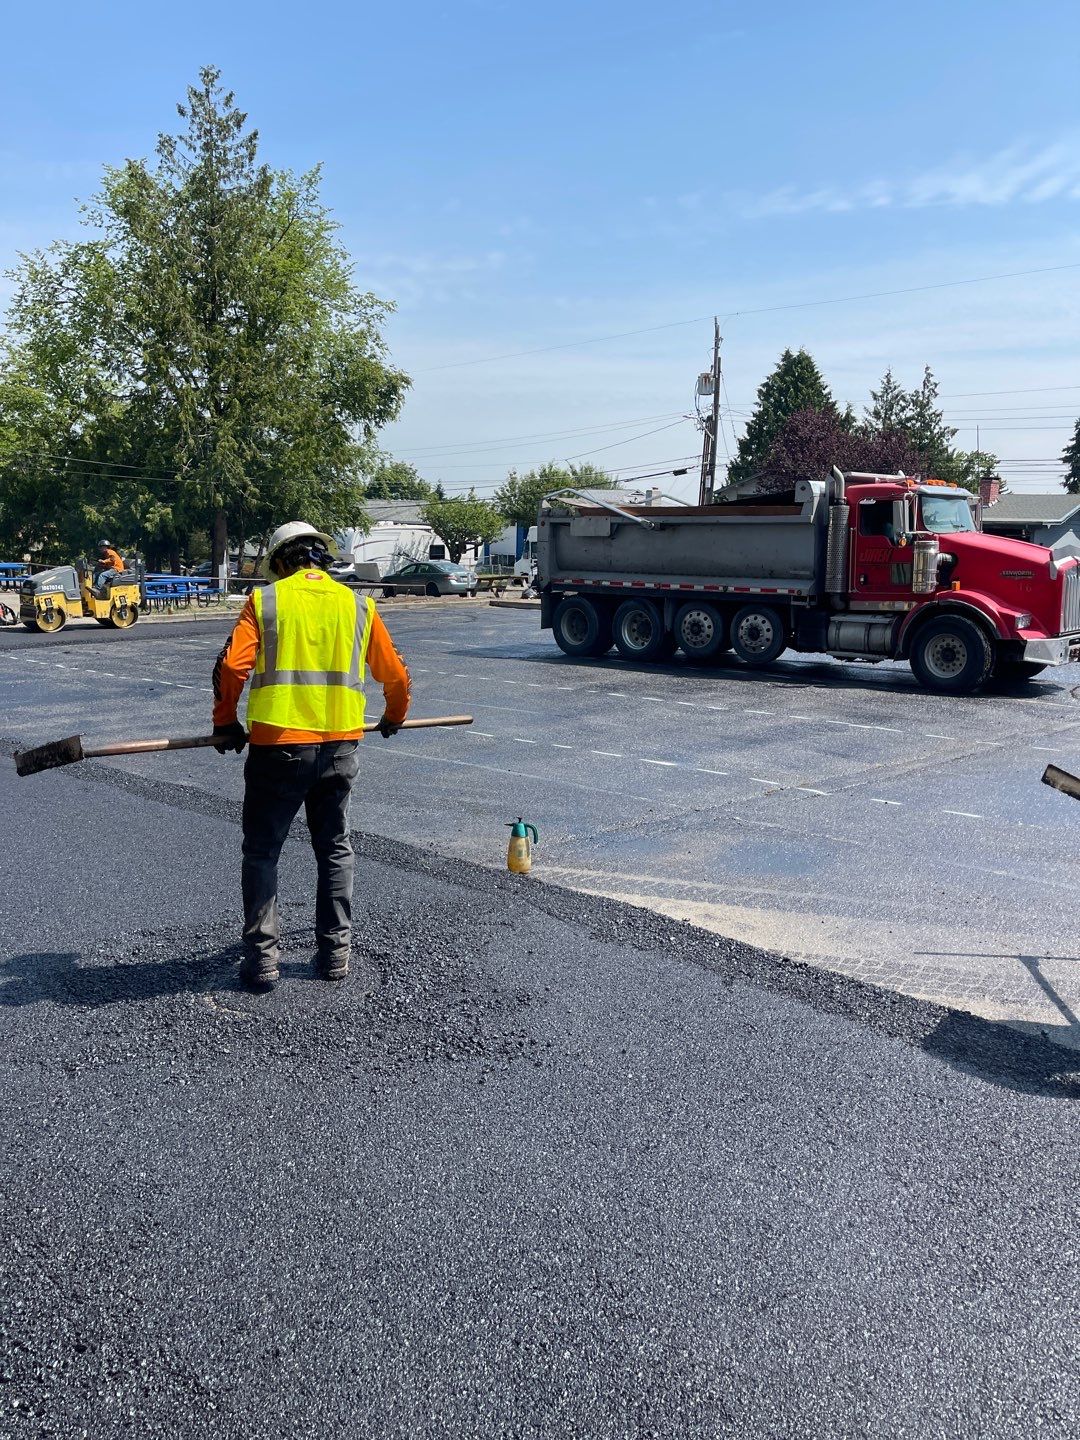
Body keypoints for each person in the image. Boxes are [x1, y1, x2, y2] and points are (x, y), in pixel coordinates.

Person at [211, 521, 411, 989]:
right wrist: (394, 716)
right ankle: (335, 955)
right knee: (335, 848)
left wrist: (225, 723)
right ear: (322, 557)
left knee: (262, 850)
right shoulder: (358, 604)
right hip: (341, 747)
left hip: (278, 750)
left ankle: (262, 960)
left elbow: (231, 669)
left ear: (280, 562)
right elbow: (396, 675)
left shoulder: (266, 602)